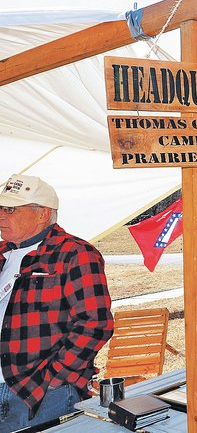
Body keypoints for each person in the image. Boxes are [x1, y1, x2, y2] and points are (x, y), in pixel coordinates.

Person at [0, 174, 113, 432]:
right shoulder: (3, 252)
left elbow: (96, 324)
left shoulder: (75, 253)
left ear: (42, 214)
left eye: (10, 209)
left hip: (39, 393)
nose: (1, 216)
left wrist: (55, 378)